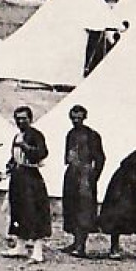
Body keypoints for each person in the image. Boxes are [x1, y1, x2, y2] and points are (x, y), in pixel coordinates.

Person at [0, 107, 51, 263]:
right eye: (18, 118)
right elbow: (13, 158)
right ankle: (20, 246)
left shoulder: (36, 135)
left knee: (33, 212)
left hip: (31, 179)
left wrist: (26, 147)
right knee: (18, 211)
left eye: (24, 118)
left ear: (31, 119)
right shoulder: (17, 136)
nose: (21, 121)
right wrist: (5, 171)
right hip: (17, 178)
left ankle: (37, 251)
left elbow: (42, 153)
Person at [61, 105, 105, 259]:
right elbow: (68, 156)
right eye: (73, 118)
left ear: (84, 117)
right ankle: (75, 242)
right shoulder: (70, 134)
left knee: (84, 209)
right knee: (71, 207)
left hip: (85, 175)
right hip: (72, 173)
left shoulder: (92, 135)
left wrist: (93, 176)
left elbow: (100, 158)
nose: (76, 121)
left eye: (79, 118)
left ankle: (81, 245)